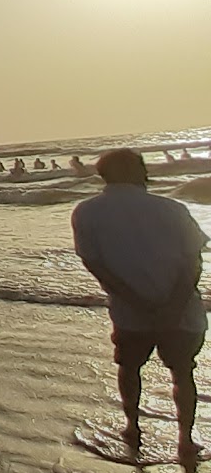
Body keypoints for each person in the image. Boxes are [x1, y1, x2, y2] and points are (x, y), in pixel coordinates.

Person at [73, 148, 207, 457]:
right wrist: (174, 303)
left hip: (130, 310)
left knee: (130, 367)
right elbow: (193, 262)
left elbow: (96, 264)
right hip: (181, 310)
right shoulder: (172, 208)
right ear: (138, 172)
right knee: (183, 372)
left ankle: (133, 425)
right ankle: (186, 438)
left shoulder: (86, 211)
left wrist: (137, 301)